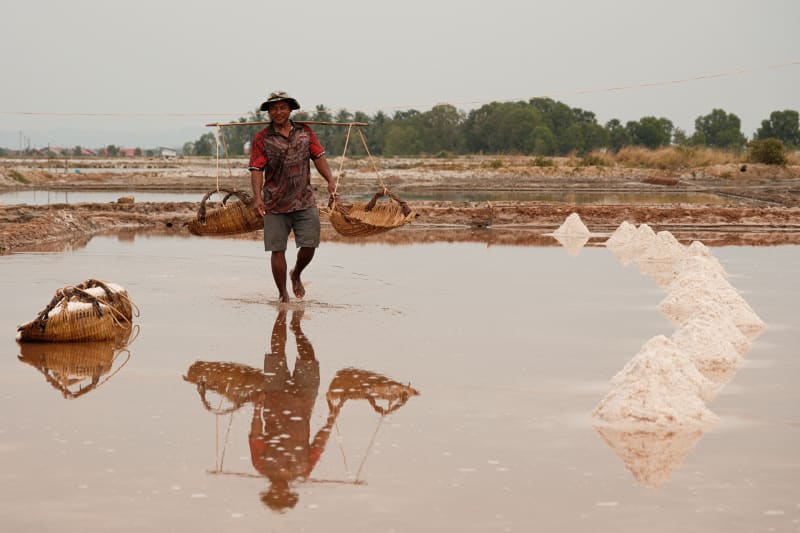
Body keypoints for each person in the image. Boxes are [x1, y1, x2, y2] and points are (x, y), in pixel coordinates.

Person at [248, 91, 337, 303]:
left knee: (309, 244)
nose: (278, 112)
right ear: (268, 112)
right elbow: (256, 169)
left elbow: (319, 157)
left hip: (304, 199)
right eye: (274, 108)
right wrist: (257, 197)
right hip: (275, 202)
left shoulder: (305, 132)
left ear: (290, 110)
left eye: (283, 108)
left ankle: (296, 273)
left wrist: (330, 180)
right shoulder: (262, 138)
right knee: (277, 249)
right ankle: (283, 294)